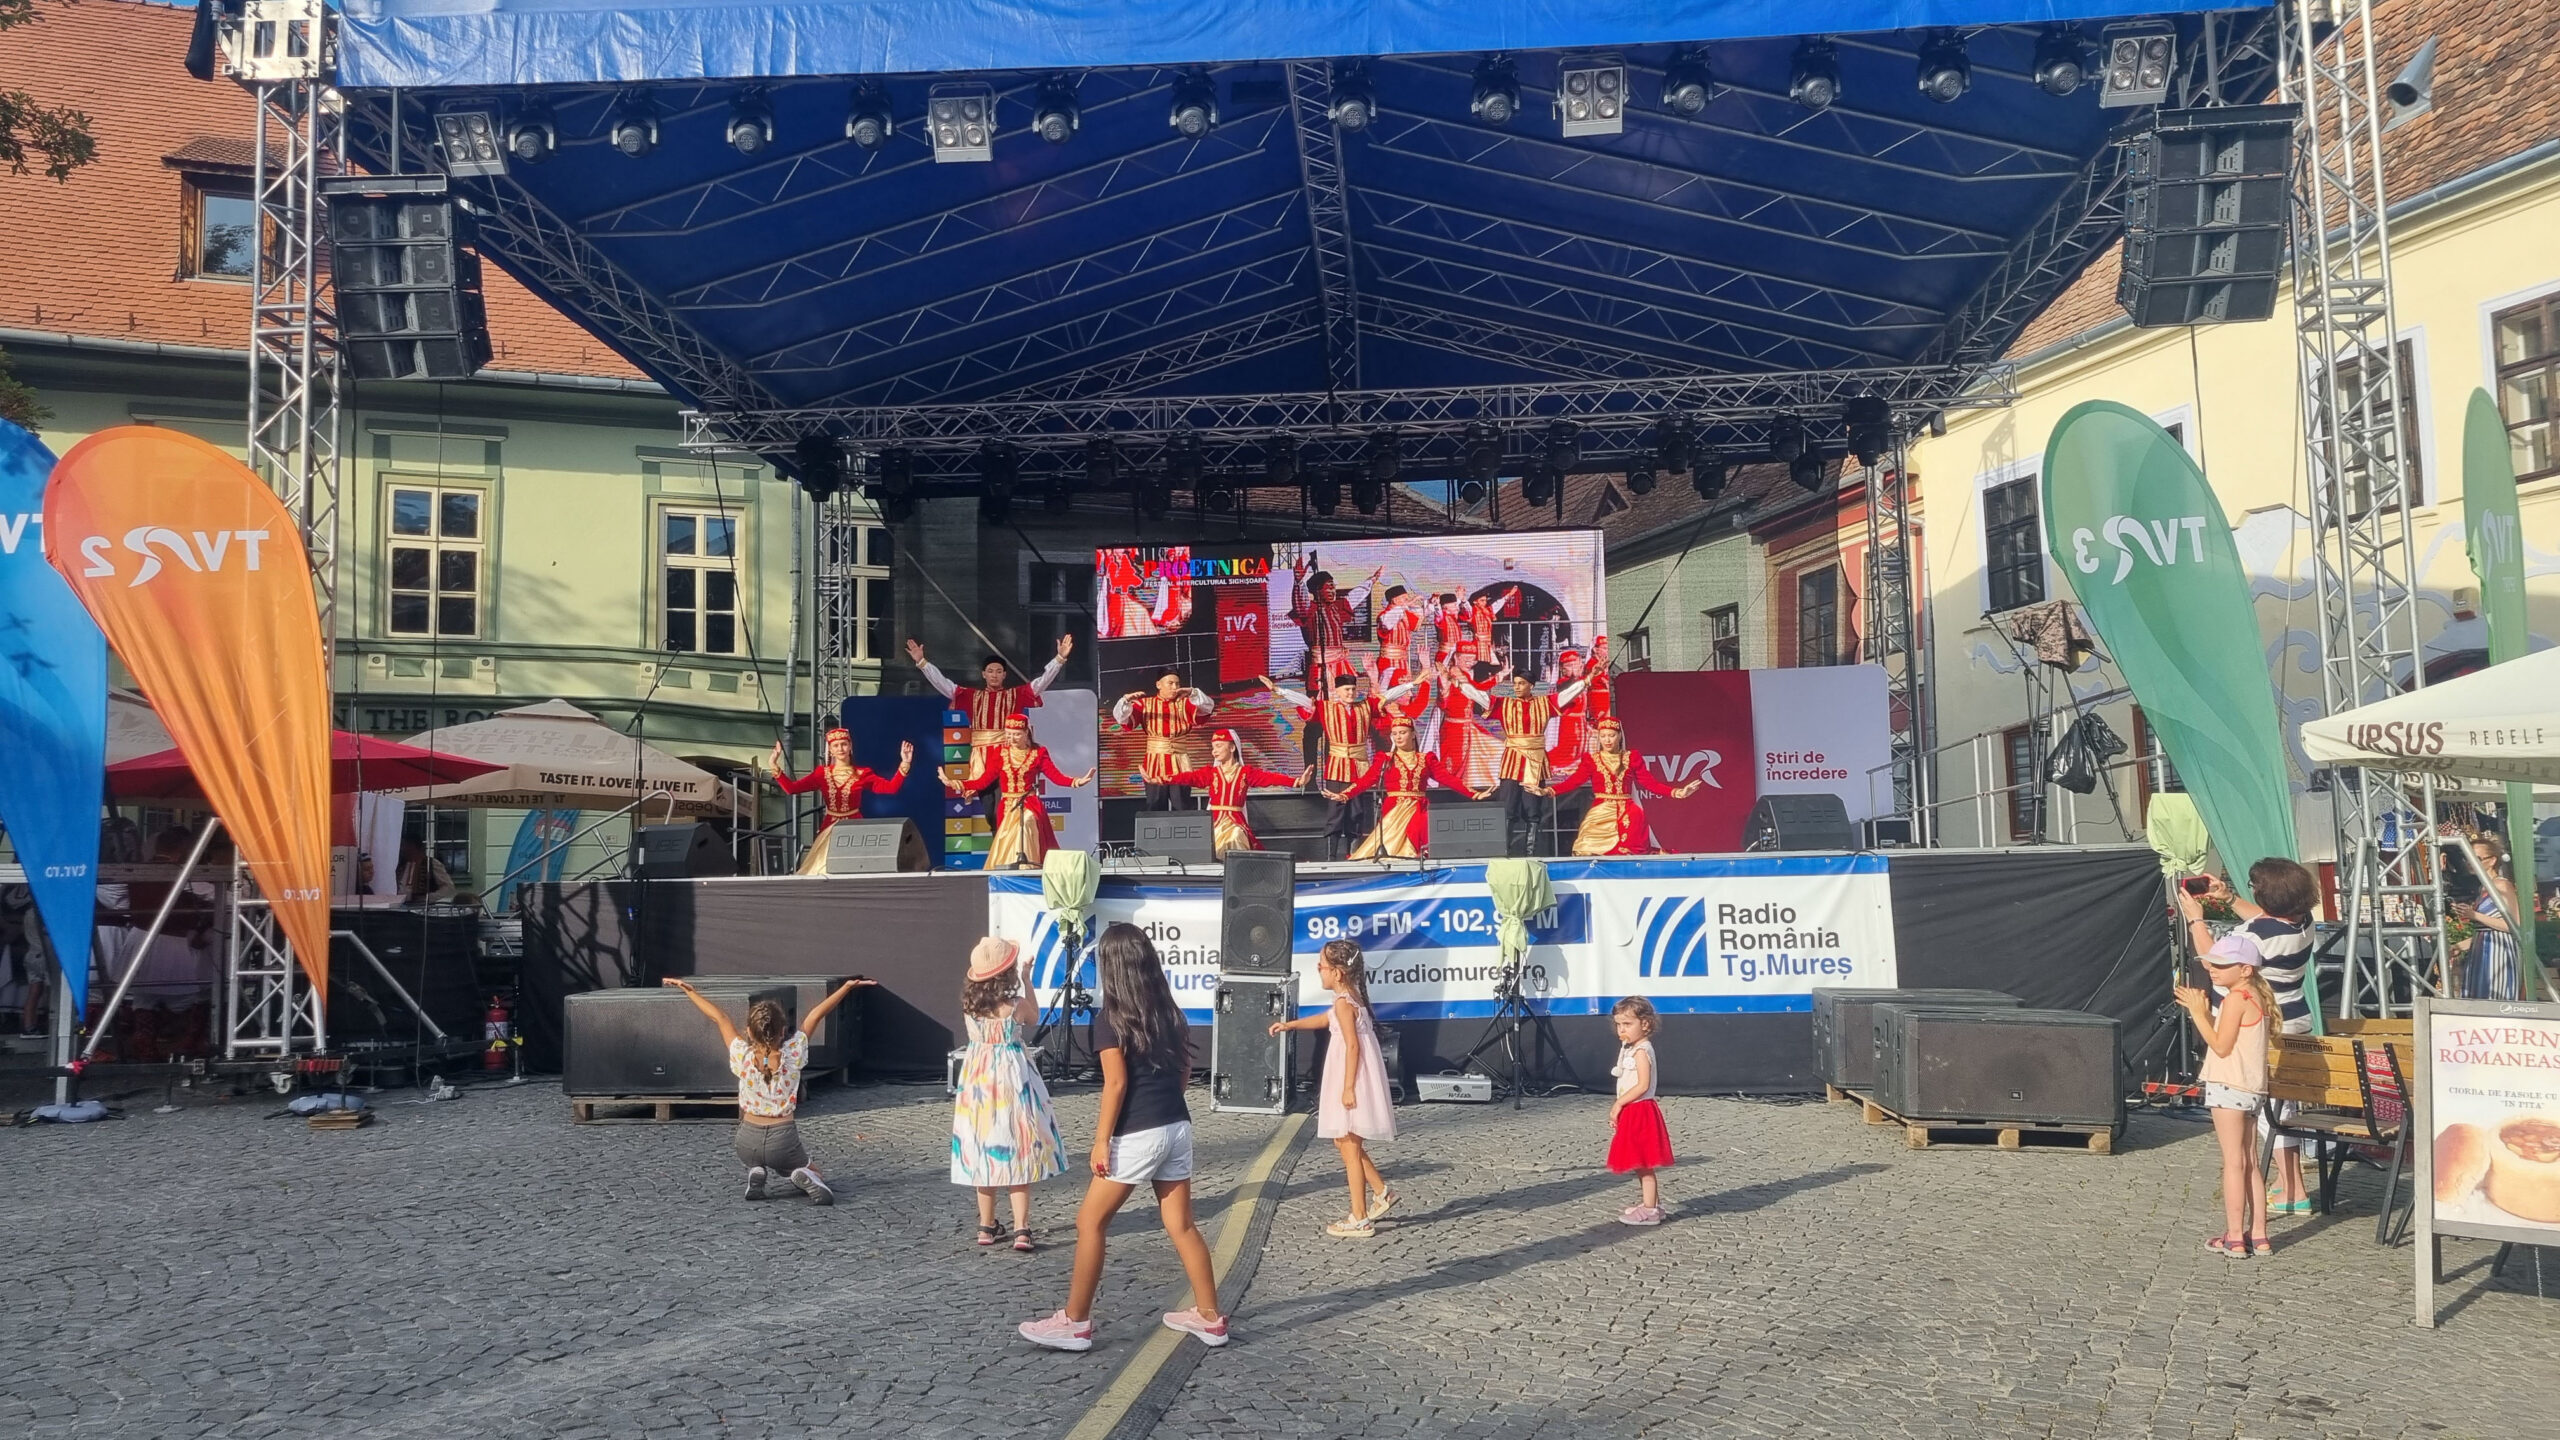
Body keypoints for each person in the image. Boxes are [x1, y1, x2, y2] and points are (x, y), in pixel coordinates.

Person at [1020, 923, 1227, 1352]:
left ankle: (1075, 1322)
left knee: (1090, 1222)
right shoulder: (1169, 1012)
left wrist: (1102, 1140)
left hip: (1137, 1133)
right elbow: (1185, 1070)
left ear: (1111, 967)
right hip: (1177, 1125)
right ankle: (1210, 1316)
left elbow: (1116, 1084)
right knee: (1182, 1224)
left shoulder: (1110, 1020)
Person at [2176, 857, 2317, 1215]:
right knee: (2283, 1106)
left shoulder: (2253, 937)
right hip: (2294, 1018)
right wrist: (2228, 899)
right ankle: (2291, 1185)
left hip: (2255, 1025)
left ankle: (2291, 1188)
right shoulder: (2302, 921)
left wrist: (2195, 919)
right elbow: (2266, 920)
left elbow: (2215, 960)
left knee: (2265, 1109)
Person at [662, 974, 873, 1205]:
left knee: (763, 1158)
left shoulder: (742, 1054)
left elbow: (719, 1018)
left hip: (746, 1141)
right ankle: (801, 1173)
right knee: (814, 1172)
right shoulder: (793, 1052)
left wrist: (689, 991)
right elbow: (816, 1015)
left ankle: (756, 1170)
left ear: (749, 1032)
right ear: (783, 1032)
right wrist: (846, 988)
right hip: (783, 1140)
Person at [1269, 938, 1399, 1237]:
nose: (1318, 970)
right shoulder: (1349, 999)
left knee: (1349, 1147)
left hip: (1350, 1078)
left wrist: (1348, 1087)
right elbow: (1325, 1020)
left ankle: (1360, 1217)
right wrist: (1289, 1025)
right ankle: (1382, 1192)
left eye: (1321, 967)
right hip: (1351, 1075)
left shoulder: (1344, 1003)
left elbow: (1353, 1045)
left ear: (1337, 973)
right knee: (1344, 1141)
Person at [952, 937, 1067, 1252]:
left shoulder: (970, 1006)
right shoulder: (1014, 1006)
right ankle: (1021, 1229)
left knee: (982, 1150)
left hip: (978, 1083)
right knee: (1018, 1147)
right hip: (1012, 1081)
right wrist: (1027, 979)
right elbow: (1035, 1017)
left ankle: (986, 1225)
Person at [2174, 935, 2274, 1257]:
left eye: (2221, 964)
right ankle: (2259, 1235)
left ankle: (2234, 1236)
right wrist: (2207, 1014)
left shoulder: (2235, 998)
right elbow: (2232, 1036)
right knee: (2251, 1163)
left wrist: (2197, 1013)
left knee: (2233, 1163)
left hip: (2229, 1086)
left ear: (2245, 969)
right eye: (2211, 964)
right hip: (2251, 1089)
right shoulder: (2256, 996)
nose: (2212, 969)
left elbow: (2220, 1045)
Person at [1266, 671, 1421, 857]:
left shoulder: (1365, 706)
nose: (1351, 693)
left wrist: (1411, 684)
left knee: (1356, 812)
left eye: (1353, 689)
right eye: (1347, 689)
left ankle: (1353, 855)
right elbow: (1303, 701)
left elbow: (1387, 696)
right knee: (1335, 811)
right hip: (1337, 767)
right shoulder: (1326, 707)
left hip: (1359, 767)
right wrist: (1278, 690)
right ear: (1337, 691)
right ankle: (1331, 857)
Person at [1449, 660, 1592, 856]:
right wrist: (1458, 684)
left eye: (1521, 683)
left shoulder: (1545, 703)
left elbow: (1567, 694)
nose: (1516, 687)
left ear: (1531, 686)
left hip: (1535, 761)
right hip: (1512, 761)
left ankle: (1530, 852)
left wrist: (1587, 680)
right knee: (1508, 807)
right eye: (1515, 683)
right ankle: (1504, 852)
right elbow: (1479, 695)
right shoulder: (1504, 704)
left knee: (1532, 809)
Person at [909, 633, 1072, 784]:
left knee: (1007, 797)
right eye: (990, 671)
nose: (994, 675)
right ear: (984, 674)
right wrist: (923, 663)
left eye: (999, 671)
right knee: (987, 802)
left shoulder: (1015, 694)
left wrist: (1058, 660)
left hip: (1008, 756)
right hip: (981, 759)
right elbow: (943, 684)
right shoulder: (970, 696)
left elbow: (1041, 683)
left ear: (1004, 675)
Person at [944, 713, 1091, 870]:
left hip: (1029, 804)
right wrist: (956, 783)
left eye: (1016, 734)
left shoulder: (1039, 752)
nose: (1012, 739)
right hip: (1008, 806)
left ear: (1026, 732)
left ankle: (1027, 867)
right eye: (1008, 734)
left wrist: (1076, 782)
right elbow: (983, 781)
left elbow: (1056, 777)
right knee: (1008, 837)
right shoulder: (1000, 753)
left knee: (1025, 824)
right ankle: (1010, 871)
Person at [1540, 717, 1701, 855]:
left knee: (1630, 851)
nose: (1607, 740)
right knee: (1585, 848)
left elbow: (1649, 783)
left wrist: (1678, 792)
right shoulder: (1591, 759)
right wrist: (1548, 790)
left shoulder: (1632, 757)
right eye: (1603, 736)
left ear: (1619, 736)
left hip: (1628, 812)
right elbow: (1574, 781)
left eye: (1611, 735)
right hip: (1601, 811)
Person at [767, 729, 912, 874]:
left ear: (850, 747)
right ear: (830, 750)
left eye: (844, 744)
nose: (840, 749)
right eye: (835, 745)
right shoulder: (821, 774)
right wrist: (773, 764)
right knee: (821, 869)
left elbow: (891, 788)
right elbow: (792, 788)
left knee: (856, 867)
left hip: (855, 827)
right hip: (829, 828)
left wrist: (905, 763)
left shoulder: (862, 773)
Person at [1327, 718, 1472, 860]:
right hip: (1394, 810)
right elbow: (1367, 780)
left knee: (1420, 831)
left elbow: (1447, 778)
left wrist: (1473, 793)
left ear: (1413, 734)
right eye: (1395, 733)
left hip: (1418, 808)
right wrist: (1345, 795)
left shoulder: (1426, 759)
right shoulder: (1386, 759)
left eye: (1402, 732)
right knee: (1388, 849)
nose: (1398, 737)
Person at [1161, 729, 1307, 858]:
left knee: (1236, 834)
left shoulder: (1245, 773)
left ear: (1232, 747)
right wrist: (1163, 779)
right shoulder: (1211, 773)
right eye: (1213, 747)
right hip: (1215, 821)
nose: (1214, 751)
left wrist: (1297, 781)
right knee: (1211, 840)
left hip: (1235, 821)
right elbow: (1189, 777)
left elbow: (1270, 778)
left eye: (1219, 746)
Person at [1608, 996, 1672, 1226]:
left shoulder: (1642, 1051)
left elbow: (1643, 1085)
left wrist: (1619, 1103)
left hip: (1639, 1111)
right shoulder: (1632, 1048)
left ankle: (1650, 1210)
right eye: (1618, 1024)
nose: (1621, 1030)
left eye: (1627, 1024)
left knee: (1644, 1164)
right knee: (1640, 1163)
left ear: (1645, 1024)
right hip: (1633, 1109)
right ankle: (1652, 1204)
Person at [1112, 668, 1216, 811]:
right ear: (1158, 685)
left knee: (1182, 806)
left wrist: (1193, 693)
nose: (1175, 687)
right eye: (1170, 683)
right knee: (1155, 805)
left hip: (1180, 763)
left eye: (1177, 684)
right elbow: (1123, 719)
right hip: (1154, 763)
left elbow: (1207, 708)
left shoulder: (1184, 704)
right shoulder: (1146, 704)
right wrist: (1126, 700)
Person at [2456, 831, 2525, 1002]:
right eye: (2468, 858)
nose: (2470, 863)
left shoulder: (2501, 885)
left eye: (2477, 858)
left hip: (2499, 953)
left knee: (2496, 998)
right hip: (2482, 952)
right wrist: (2459, 946)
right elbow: (2486, 931)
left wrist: (2474, 915)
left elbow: (2513, 925)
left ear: (2492, 860)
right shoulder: (2484, 888)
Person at [1545, 638, 1614, 767]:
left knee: (1579, 751)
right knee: (1568, 752)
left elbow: (1587, 682)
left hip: (1581, 721)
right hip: (1569, 722)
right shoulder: (1562, 683)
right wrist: (1575, 677)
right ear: (1562, 669)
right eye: (1569, 665)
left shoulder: (1581, 681)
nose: (1574, 668)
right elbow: (1568, 686)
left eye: (1576, 664)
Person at [397, 839, 457, 904]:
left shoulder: (431, 863)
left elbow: (449, 887)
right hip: (399, 905)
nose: (401, 849)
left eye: (404, 845)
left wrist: (429, 898)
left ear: (413, 846)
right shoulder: (400, 865)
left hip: (422, 907)